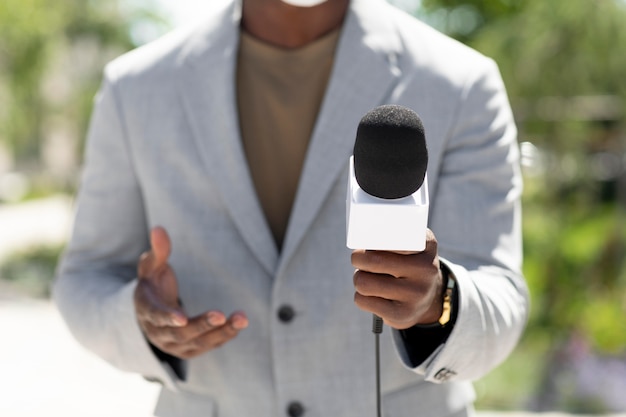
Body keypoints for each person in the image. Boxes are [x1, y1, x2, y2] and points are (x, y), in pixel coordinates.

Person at [53, 0, 529, 416]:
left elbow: (502, 299)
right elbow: (84, 279)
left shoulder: (461, 83)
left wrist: (437, 301)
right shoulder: (135, 88)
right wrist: (139, 321)